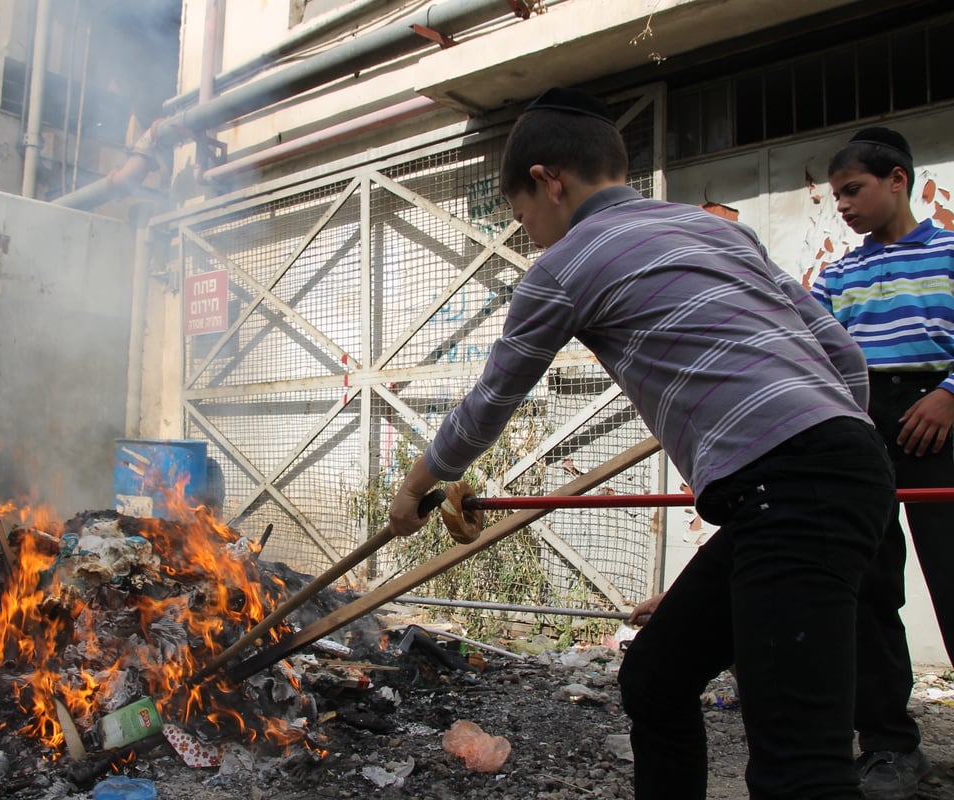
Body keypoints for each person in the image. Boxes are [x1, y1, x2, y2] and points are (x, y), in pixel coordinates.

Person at [386, 86, 897, 799]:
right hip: (815, 479)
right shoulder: (720, 233)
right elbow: (843, 358)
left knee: (799, 762)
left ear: (547, 180)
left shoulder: (564, 266)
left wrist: (414, 489)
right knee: (655, 677)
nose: (528, 232)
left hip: (791, 491)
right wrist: (837, 451)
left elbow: (489, 402)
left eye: (521, 215)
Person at [808, 126, 954, 799]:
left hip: (941, 426)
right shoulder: (838, 272)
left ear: (899, 179)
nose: (843, 204)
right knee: (868, 594)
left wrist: (948, 397)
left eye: (853, 189)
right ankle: (890, 745)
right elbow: (811, 348)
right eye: (836, 196)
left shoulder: (951, 250)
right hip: (862, 430)